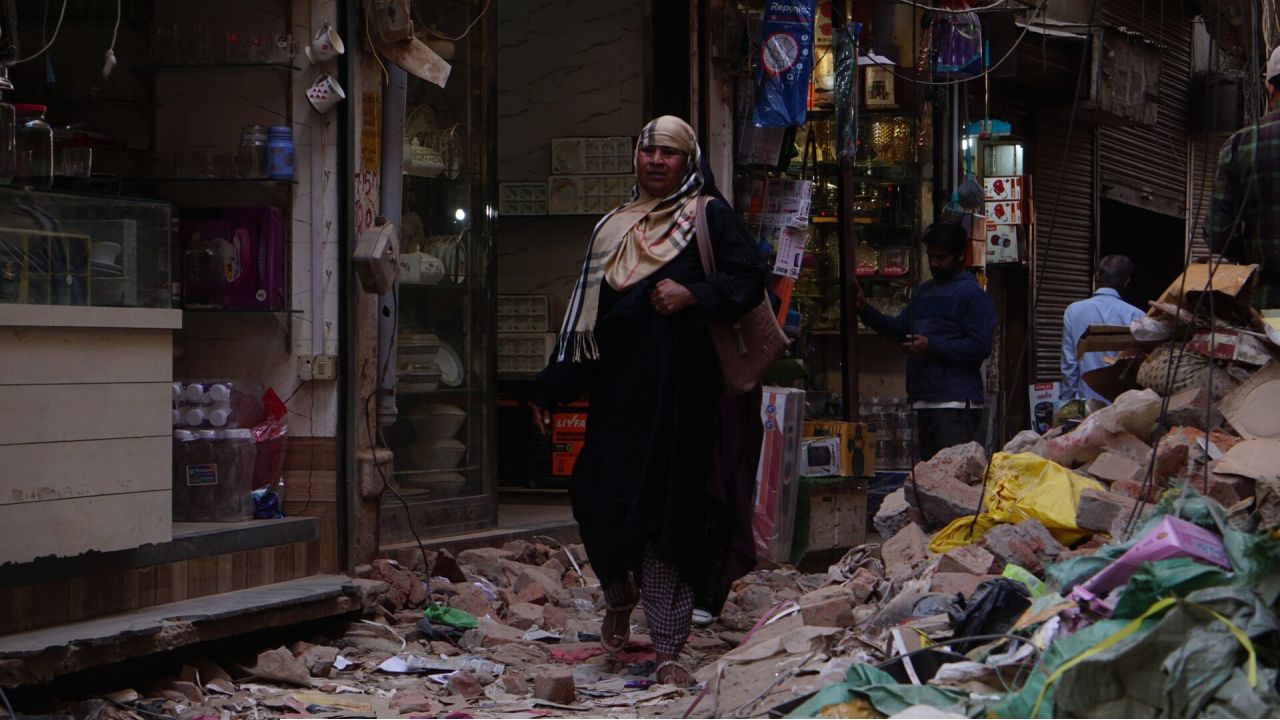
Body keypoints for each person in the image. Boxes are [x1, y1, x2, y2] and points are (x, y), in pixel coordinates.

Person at [532, 116, 768, 687]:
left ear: (688, 161)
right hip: (619, 399)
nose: (657, 161)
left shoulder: (708, 216)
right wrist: (552, 386)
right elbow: (594, 324)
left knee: (670, 519)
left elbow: (749, 280)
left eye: (669, 152)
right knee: (596, 499)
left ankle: (668, 646)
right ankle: (619, 592)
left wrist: (694, 292)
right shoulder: (613, 228)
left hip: (683, 402)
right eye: (649, 150)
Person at [855, 221, 995, 461]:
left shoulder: (972, 295)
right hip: (924, 400)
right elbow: (900, 329)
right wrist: (863, 309)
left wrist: (931, 345)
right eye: (931, 256)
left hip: (955, 404)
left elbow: (980, 346)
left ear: (960, 255)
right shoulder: (924, 291)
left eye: (942, 257)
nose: (935, 263)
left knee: (952, 476)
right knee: (929, 475)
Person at [1208, 46, 1280, 307]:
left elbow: (1218, 232)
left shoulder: (1239, 144)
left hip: (1266, 306)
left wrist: (1251, 257)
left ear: (1269, 87)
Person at [1059, 255, 1144, 405]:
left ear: (1097, 277)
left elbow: (1069, 365)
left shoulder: (1073, 311)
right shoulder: (1138, 316)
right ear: (1127, 281)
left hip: (1086, 405)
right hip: (1122, 406)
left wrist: (1066, 404)